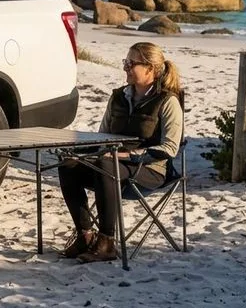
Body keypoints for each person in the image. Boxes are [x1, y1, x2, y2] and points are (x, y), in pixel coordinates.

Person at [58, 41, 184, 262]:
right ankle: (85, 236)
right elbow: (102, 136)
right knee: (68, 164)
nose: (125, 67)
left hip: (151, 170)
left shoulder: (167, 101)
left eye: (131, 63)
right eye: (125, 62)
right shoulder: (118, 96)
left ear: (150, 69)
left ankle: (107, 242)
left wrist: (123, 156)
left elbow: (169, 148)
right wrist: (81, 152)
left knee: (107, 165)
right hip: (111, 166)